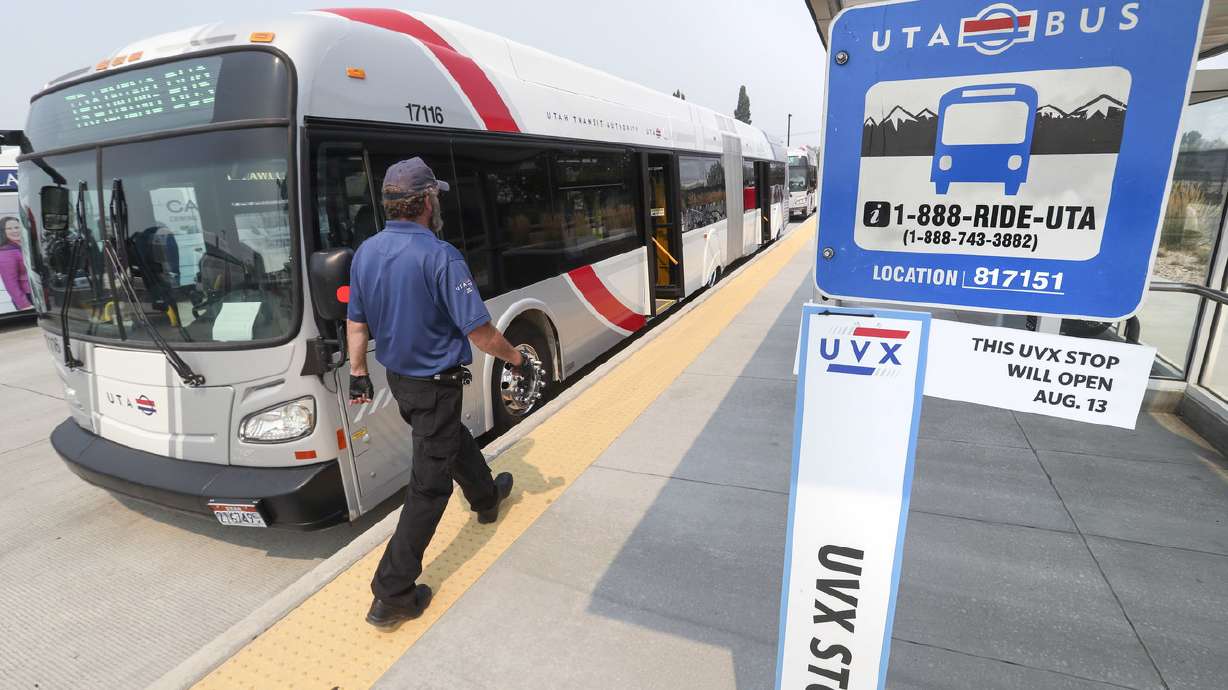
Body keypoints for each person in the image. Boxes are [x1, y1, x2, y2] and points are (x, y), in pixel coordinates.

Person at [346, 157, 532, 630]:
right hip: (434, 386)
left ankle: (487, 497)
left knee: (447, 440)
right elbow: (482, 333)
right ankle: (392, 593)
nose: (439, 205)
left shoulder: (366, 252)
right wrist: (516, 359)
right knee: (429, 486)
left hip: (400, 384)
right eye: (438, 198)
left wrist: (358, 371)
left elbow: (356, 321)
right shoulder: (441, 256)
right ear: (426, 201)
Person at [0, 216, 33, 311]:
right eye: (9, 228)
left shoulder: (24, 245)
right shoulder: (5, 252)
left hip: (37, 293)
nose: (14, 231)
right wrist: (25, 305)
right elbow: (10, 283)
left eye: (17, 227)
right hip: (26, 297)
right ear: (3, 231)